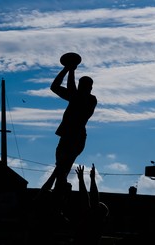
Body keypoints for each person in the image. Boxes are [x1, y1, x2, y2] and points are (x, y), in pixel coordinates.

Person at [41, 63, 97, 197]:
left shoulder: (89, 99)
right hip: (67, 137)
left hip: (75, 138)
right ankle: (58, 191)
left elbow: (71, 89)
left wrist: (71, 69)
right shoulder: (75, 96)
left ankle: (58, 193)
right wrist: (66, 69)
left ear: (89, 88)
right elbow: (54, 86)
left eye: (83, 85)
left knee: (61, 168)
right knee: (61, 168)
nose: (80, 87)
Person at [73, 164, 109, 245]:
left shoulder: (92, 221)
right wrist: (91, 179)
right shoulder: (98, 225)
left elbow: (89, 199)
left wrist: (83, 180)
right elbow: (91, 200)